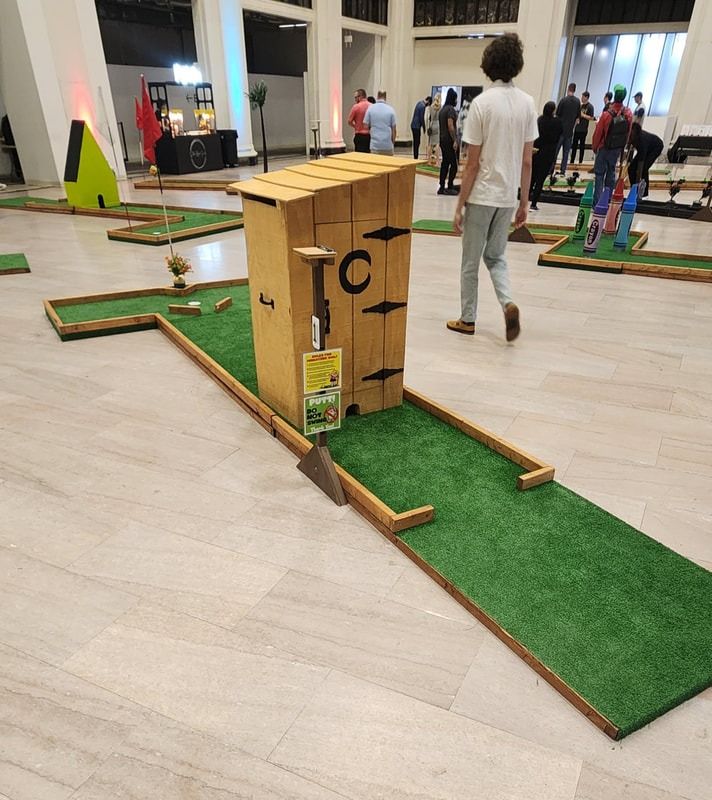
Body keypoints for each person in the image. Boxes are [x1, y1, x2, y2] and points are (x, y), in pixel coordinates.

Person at [448, 32, 536, 342]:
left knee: (470, 261)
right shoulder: (527, 103)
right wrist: (524, 202)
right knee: (497, 257)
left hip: (483, 194)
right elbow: (527, 161)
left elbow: (472, 164)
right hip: (507, 197)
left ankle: (467, 318)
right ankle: (507, 302)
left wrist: (460, 204)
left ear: (488, 64)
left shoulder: (482, 104)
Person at [591, 83, 633, 203]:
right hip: (616, 149)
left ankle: (597, 203)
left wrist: (595, 147)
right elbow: (628, 133)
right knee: (611, 173)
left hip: (604, 148)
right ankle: (607, 201)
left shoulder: (606, 115)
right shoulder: (628, 114)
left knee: (599, 175)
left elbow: (598, 133)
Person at [530, 101, 563, 210]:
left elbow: (534, 135)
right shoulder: (557, 122)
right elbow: (559, 136)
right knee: (540, 180)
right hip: (548, 153)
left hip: (537, 152)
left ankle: (525, 198)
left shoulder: (540, 120)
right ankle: (534, 203)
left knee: (532, 177)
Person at [628, 122, 663, 197]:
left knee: (644, 168)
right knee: (631, 168)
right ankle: (633, 189)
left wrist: (638, 179)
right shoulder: (630, 136)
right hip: (646, 148)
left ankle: (643, 193)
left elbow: (641, 162)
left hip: (656, 147)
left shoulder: (642, 141)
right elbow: (629, 152)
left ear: (635, 135)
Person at [553, 82, 581, 175]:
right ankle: (563, 170)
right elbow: (578, 117)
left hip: (560, 131)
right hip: (570, 132)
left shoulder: (563, 100)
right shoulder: (577, 102)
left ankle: (551, 169)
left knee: (555, 152)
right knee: (566, 153)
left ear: (568, 89)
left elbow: (557, 114)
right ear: (575, 90)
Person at [438, 88, 459, 195]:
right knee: (454, 165)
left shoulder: (442, 110)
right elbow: (450, 126)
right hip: (449, 141)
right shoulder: (451, 110)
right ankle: (450, 185)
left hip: (442, 140)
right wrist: (455, 140)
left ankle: (441, 186)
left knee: (445, 163)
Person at [363, 90, 397, 156]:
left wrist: (372, 128)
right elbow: (394, 129)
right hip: (387, 145)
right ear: (385, 97)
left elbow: (365, 125)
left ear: (377, 96)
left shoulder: (370, 108)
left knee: (375, 165)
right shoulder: (391, 109)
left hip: (374, 145)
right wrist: (392, 142)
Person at [572, 90, 595, 164]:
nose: (581, 98)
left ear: (586, 97)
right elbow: (578, 115)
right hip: (577, 128)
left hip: (583, 129)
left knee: (582, 146)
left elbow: (591, 118)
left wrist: (583, 115)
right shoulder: (580, 106)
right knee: (574, 145)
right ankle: (572, 160)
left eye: (583, 96)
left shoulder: (590, 107)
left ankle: (580, 161)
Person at [347, 89, 371, 153]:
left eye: (355, 97)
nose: (355, 99)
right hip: (369, 136)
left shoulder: (356, 107)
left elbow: (349, 121)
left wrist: (356, 126)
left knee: (358, 157)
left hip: (359, 136)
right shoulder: (372, 106)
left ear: (360, 97)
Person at [425, 94, 441, 165]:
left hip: (432, 124)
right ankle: (437, 161)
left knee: (430, 144)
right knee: (437, 144)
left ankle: (429, 161)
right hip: (438, 124)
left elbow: (428, 117)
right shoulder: (440, 107)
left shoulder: (431, 107)